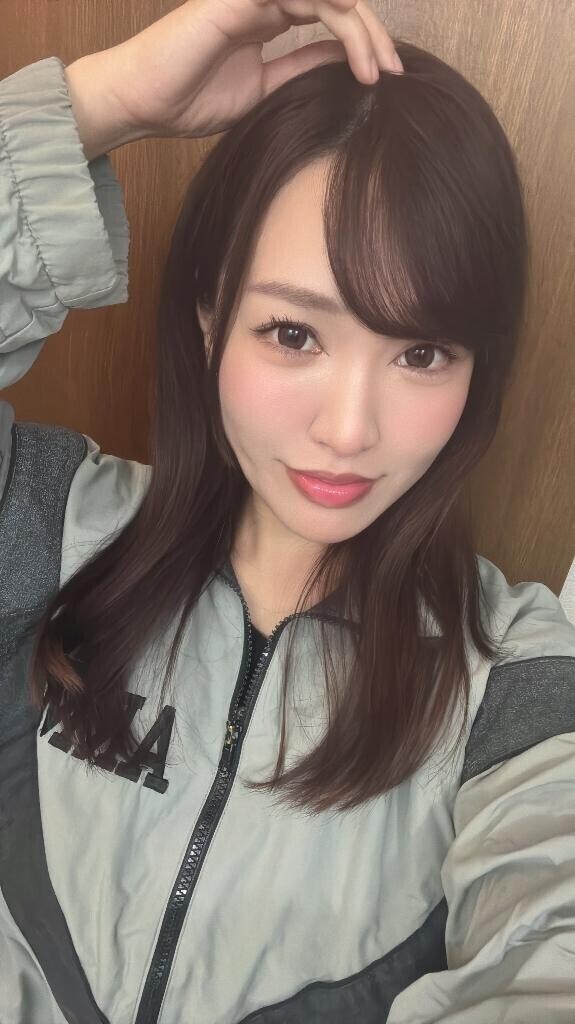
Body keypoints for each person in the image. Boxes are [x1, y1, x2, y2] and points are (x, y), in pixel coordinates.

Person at [0, 0, 574, 1021]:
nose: (348, 430)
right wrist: (105, 103)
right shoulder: (42, 522)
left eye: (420, 352)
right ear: (210, 319)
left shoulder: (513, 679)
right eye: (293, 334)